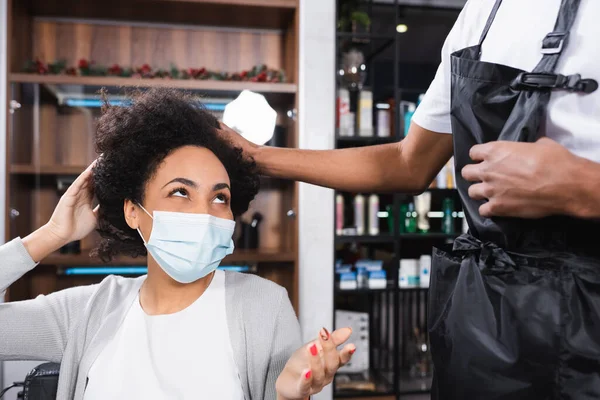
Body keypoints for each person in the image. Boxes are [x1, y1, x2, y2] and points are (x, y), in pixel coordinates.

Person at [218, 0, 600, 398]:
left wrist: (585, 186)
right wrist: (257, 157)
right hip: (485, 318)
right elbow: (408, 162)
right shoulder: (483, 12)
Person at [0, 88, 356, 400]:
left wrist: (289, 396)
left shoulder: (264, 306)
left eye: (220, 198)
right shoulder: (87, 311)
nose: (204, 213)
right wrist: (50, 235)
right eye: (180, 192)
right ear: (132, 212)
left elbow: (288, 389)